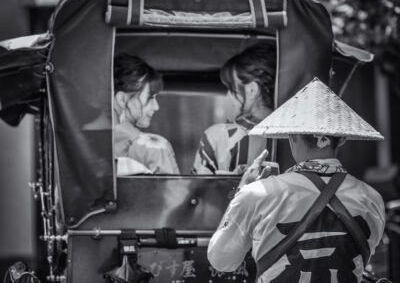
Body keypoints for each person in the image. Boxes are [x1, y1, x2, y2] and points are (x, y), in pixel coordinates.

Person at [208, 78, 385, 282]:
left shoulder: (256, 194)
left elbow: (221, 260)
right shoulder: (372, 198)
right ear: (342, 138)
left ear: (291, 136)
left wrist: (241, 191)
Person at [192, 43, 276, 174]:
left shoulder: (217, 137)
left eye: (232, 89)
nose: (228, 96)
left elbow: (198, 192)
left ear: (252, 90)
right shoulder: (300, 138)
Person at [113, 53, 179, 174]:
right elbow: (173, 192)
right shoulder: (152, 147)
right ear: (122, 99)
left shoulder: (79, 144)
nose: (156, 106)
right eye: (150, 98)